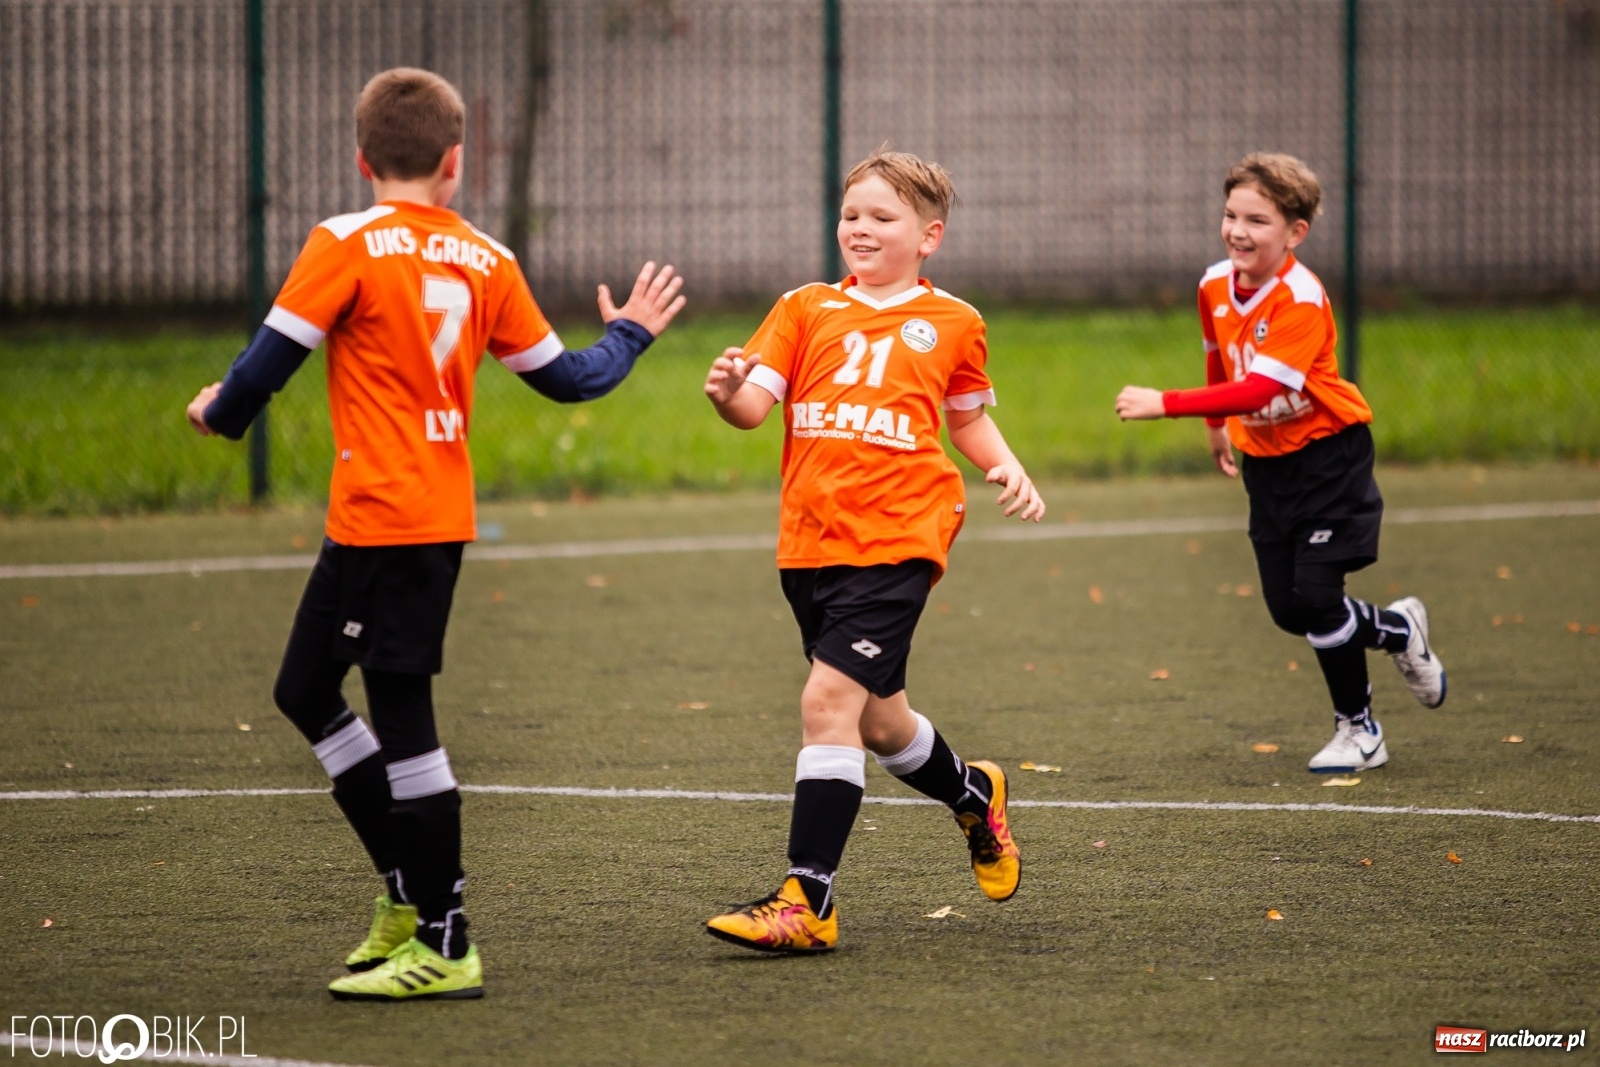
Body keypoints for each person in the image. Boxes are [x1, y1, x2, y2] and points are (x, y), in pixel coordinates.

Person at [185, 67, 685, 999]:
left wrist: (219, 413)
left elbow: (265, 367)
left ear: (362, 157)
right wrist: (631, 334)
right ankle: (409, 898)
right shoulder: (487, 258)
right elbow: (570, 377)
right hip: (405, 520)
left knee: (402, 715)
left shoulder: (343, 241)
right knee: (304, 689)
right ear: (456, 163)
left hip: (390, 520)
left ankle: (447, 938)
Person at [701, 148, 1045, 953]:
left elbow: (964, 417)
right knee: (883, 726)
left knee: (826, 703)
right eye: (851, 214)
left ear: (928, 236)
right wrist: (725, 396)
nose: (860, 228)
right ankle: (972, 795)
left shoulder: (955, 320)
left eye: (881, 217)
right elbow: (756, 407)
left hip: (901, 537)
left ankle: (807, 899)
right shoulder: (804, 307)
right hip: (810, 546)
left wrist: (1004, 464)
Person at [1114, 152, 1445, 775]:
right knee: (1289, 609)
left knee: (1319, 595)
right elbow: (1219, 355)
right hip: (1267, 465)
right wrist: (1216, 427)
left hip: (1328, 455)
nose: (1238, 230)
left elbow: (1263, 390)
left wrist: (1169, 404)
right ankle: (1399, 631)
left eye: (1257, 220)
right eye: (1230, 214)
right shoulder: (1214, 283)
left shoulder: (1300, 297)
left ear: (1295, 232)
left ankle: (1360, 731)